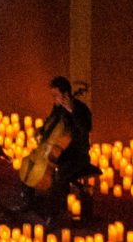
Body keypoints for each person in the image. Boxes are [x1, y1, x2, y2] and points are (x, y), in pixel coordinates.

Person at [22, 76, 94, 220]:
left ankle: (54, 214)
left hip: (76, 154)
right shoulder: (57, 109)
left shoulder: (80, 109)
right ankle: (28, 202)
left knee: (59, 175)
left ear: (66, 95)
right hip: (59, 153)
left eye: (55, 95)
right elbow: (50, 125)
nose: (53, 98)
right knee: (29, 163)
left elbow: (86, 129)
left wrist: (73, 112)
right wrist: (41, 130)